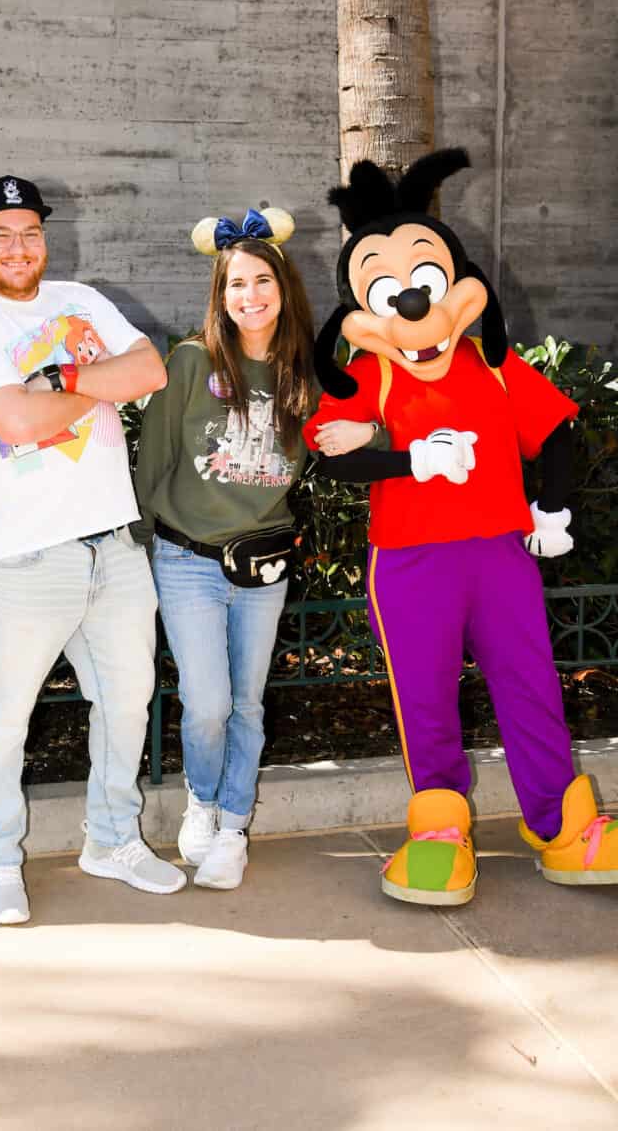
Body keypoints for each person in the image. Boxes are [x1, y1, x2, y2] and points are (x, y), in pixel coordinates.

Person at [306, 149, 616, 906]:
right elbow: (330, 459)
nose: (412, 304)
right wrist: (410, 461)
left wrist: (552, 508)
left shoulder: (495, 364)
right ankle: (439, 830)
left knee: (534, 687)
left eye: (425, 280)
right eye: (387, 288)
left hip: (501, 554)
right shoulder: (370, 375)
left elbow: (561, 431)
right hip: (411, 563)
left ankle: (562, 824)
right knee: (425, 698)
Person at [0, 175, 186, 925]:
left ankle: (111, 840)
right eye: (1, 234)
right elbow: (16, 424)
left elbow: (150, 370)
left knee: (127, 705)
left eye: (31, 233)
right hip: (23, 553)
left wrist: (62, 380)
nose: (19, 248)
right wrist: (93, 389)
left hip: (112, 540)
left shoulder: (81, 299)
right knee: (7, 714)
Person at [133, 207, 377, 889]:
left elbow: (376, 421)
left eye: (261, 281)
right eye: (235, 284)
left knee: (248, 701)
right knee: (208, 702)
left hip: (261, 565)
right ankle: (201, 803)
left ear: (283, 287)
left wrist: (368, 434)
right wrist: (144, 546)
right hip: (186, 561)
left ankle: (232, 827)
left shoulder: (309, 371)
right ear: (220, 295)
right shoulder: (191, 361)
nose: (249, 296)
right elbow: (152, 466)